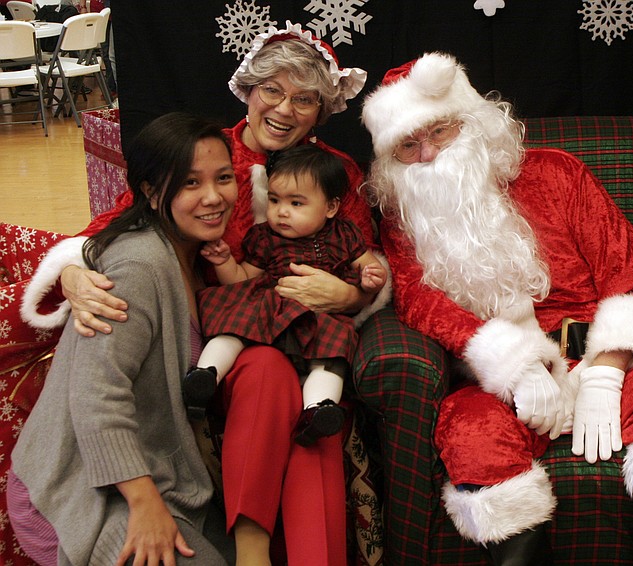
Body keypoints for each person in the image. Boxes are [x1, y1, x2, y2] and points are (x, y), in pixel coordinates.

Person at [20, 22, 388, 566]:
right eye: (272, 91)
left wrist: (350, 296)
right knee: (263, 370)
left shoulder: (335, 172)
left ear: (322, 109)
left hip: (301, 338)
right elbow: (117, 229)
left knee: (304, 405)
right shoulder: (205, 156)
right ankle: (252, 549)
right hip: (216, 334)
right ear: (249, 90)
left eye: (304, 99)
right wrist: (75, 270)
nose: (285, 109)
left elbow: (367, 262)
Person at [361, 52, 633, 565]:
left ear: (472, 122)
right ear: (391, 159)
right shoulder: (403, 218)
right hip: (494, 382)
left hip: (595, 358)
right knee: (474, 439)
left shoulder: (557, 174)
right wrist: (516, 368)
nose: (427, 154)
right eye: (407, 144)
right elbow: (423, 305)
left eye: (440, 131)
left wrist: (606, 372)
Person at [9, 112, 235, 566]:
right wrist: (144, 502)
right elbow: (97, 394)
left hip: (152, 471)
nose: (213, 197)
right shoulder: (140, 266)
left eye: (224, 177)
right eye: (190, 183)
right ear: (151, 192)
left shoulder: (201, 256)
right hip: (79, 486)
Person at [185, 144, 387, 446]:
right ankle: (204, 376)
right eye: (275, 200)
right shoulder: (265, 236)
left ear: (330, 208)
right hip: (271, 307)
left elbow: (370, 266)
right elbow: (241, 279)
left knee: (332, 356)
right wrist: (224, 262)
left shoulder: (344, 234)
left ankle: (318, 411)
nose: (281, 212)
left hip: (318, 318)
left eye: (296, 203)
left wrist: (372, 278)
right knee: (236, 325)